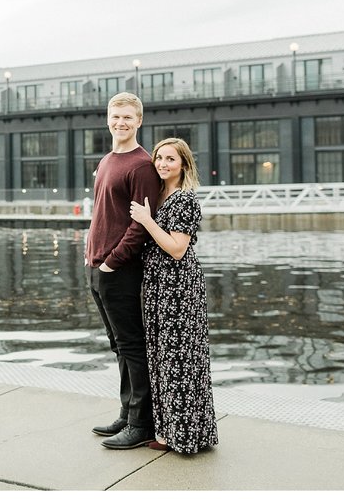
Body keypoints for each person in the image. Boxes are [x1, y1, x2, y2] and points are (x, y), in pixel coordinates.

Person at [129, 137, 219, 454]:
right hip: (157, 285)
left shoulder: (184, 200)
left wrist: (146, 220)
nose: (164, 164)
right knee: (161, 357)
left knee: (180, 359)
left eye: (171, 159)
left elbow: (177, 249)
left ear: (183, 165)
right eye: (159, 158)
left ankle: (186, 435)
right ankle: (169, 432)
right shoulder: (159, 195)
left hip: (178, 286)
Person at [85, 92, 160, 450]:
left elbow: (142, 224)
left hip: (120, 269)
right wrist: (93, 258)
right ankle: (126, 413)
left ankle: (141, 424)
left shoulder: (142, 165)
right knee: (118, 346)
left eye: (128, 117)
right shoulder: (107, 160)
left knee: (132, 345)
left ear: (139, 121)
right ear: (108, 119)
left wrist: (113, 261)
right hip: (96, 265)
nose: (121, 123)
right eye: (116, 116)